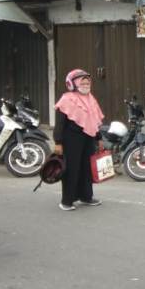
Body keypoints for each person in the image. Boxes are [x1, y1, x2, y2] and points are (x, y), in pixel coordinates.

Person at [53, 69, 104, 211]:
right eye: (82, 81)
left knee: (87, 168)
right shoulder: (66, 99)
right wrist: (58, 142)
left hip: (88, 139)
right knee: (71, 169)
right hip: (71, 140)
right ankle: (67, 201)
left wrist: (99, 139)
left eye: (88, 82)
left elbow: (94, 121)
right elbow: (60, 124)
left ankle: (86, 197)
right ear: (72, 83)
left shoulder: (91, 99)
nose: (86, 84)